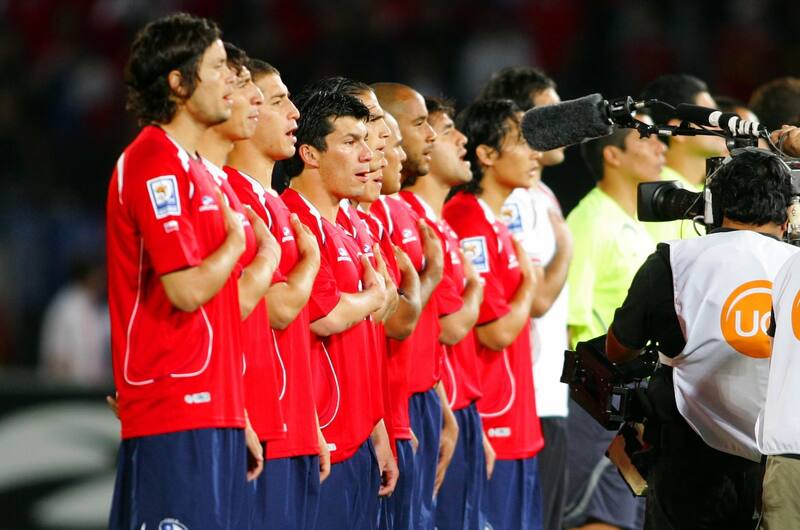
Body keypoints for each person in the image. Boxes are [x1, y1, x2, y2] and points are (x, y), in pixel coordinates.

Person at [106, 13, 264, 530]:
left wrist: (234, 410)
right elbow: (187, 289)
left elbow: (219, 305)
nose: (228, 81)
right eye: (217, 67)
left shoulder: (191, 167)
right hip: (176, 404)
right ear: (178, 82)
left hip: (211, 407)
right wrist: (237, 242)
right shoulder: (153, 161)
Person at [606, 149, 799, 529]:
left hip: (689, 462)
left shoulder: (674, 259)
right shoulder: (794, 267)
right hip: (777, 462)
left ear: (715, 205)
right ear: (786, 212)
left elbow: (619, 348)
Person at [280, 88, 394, 529]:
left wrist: (376, 428)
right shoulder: (294, 220)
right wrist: (374, 298)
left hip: (358, 438)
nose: (368, 154)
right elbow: (324, 315)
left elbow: (366, 333)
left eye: (366, 140)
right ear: (310, 153)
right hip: (322, 439)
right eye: (350, 142)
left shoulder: (348, 227)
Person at [226, 57, 328, 530]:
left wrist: (310, 420)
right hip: (258, 423)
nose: (295, 113)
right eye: (278, 101)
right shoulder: (235, 197)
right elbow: (279, 309)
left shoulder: (274, 204)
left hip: (292, 423)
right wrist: (310, 262)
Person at [444, 98, 544, 530]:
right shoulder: (467, 221)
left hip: (515, 417)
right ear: (485, 154)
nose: (536, 153)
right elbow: (494, 332)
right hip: (492, 416)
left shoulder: (492, 221)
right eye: (523, 141)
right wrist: (530, 285)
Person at [480, 66, 573, 530]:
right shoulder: (514, 201)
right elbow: (533, 297)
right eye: (550, 114)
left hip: (545, 392)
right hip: (527, 394)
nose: (564, 124)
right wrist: (567, 248)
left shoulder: (541, 193)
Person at [564, 117, 666, 530]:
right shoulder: (588, 222)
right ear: (613, 155)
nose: (660, 147)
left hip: (634, 395)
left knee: (627, 511)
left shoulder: (638, 221)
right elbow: (570, 319)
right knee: (602, 512)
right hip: (598, 399)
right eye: (646, 139)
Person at [402, 96, 489, 530]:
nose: (461, 140)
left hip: (455, 406)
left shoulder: (440, 224)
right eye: (444, 129)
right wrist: (476, 287)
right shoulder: (412, 221)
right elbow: (449, 327)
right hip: (436, 404)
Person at [373, 82, 457, 530]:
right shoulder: (375, 215)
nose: (430, 136)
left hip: (419, 404)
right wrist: (430, 277)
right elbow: (395, 322)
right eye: (420, 123)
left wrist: (440, 402)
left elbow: (425, 329)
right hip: (390, 410)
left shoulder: (403, 210)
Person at [640, 74, 728, 242]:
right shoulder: (660, 194)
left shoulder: (711, 191)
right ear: (678, 129)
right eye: (710, 116)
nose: (721, 125)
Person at [39, 258, 110, 386]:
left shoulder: (102, 309)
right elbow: (56, 357)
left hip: (97, 388)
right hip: (68, 388)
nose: (102, 281)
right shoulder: (65, 306)